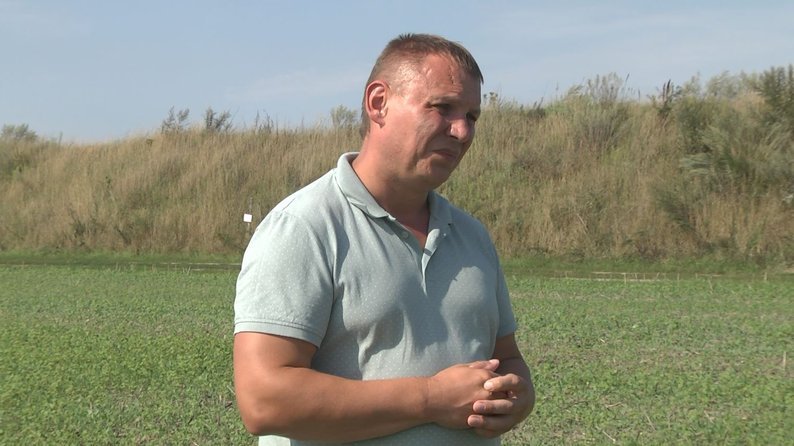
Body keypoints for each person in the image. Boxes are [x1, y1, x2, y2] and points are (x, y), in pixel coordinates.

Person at [233, 33, 535, 445]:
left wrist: (519, 396)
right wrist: (430, 398)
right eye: (442, 108)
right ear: (379, 103)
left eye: (472, 115)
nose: (463, 131)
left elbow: (507, 356)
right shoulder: (304, 227)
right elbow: (265, 401)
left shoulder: (472, 236)